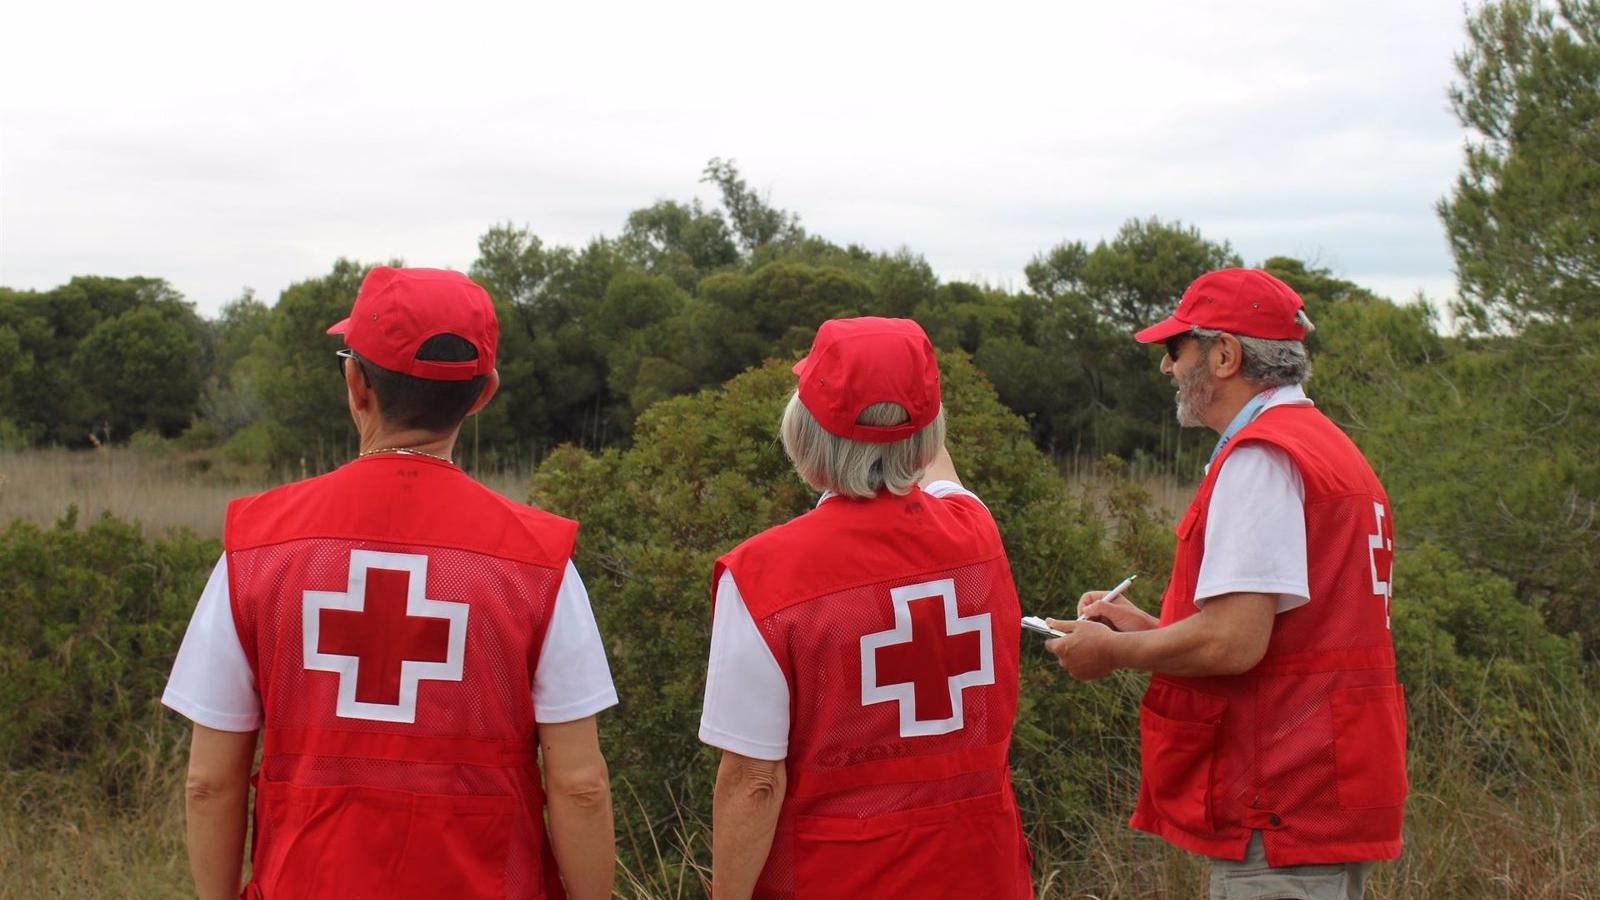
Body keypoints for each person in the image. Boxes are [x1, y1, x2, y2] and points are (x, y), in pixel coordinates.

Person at [162, 267, 618, 900]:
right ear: (484, 393)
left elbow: (208, 782)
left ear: (356, 385)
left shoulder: (256, 547)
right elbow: (580, 785)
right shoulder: (540, 562)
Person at [1045, 268, 1406, 899]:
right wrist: (1152, 629)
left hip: (1282, 789)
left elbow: (1236, 644)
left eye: (1174, 349)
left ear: (1224, 354)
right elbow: (1287, 635)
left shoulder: (1260, 456)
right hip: (1332, 781)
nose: (1167, 369)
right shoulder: (1325, 446)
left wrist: (1113, 652)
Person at [699, 317, 1033, 900]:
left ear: (802, 431)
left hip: (838, 877)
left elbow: (755, 782)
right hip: (983, 872)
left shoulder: (761, 576)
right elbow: (936, 469)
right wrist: (902, 400)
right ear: (928, 433)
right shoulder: (977, 531)